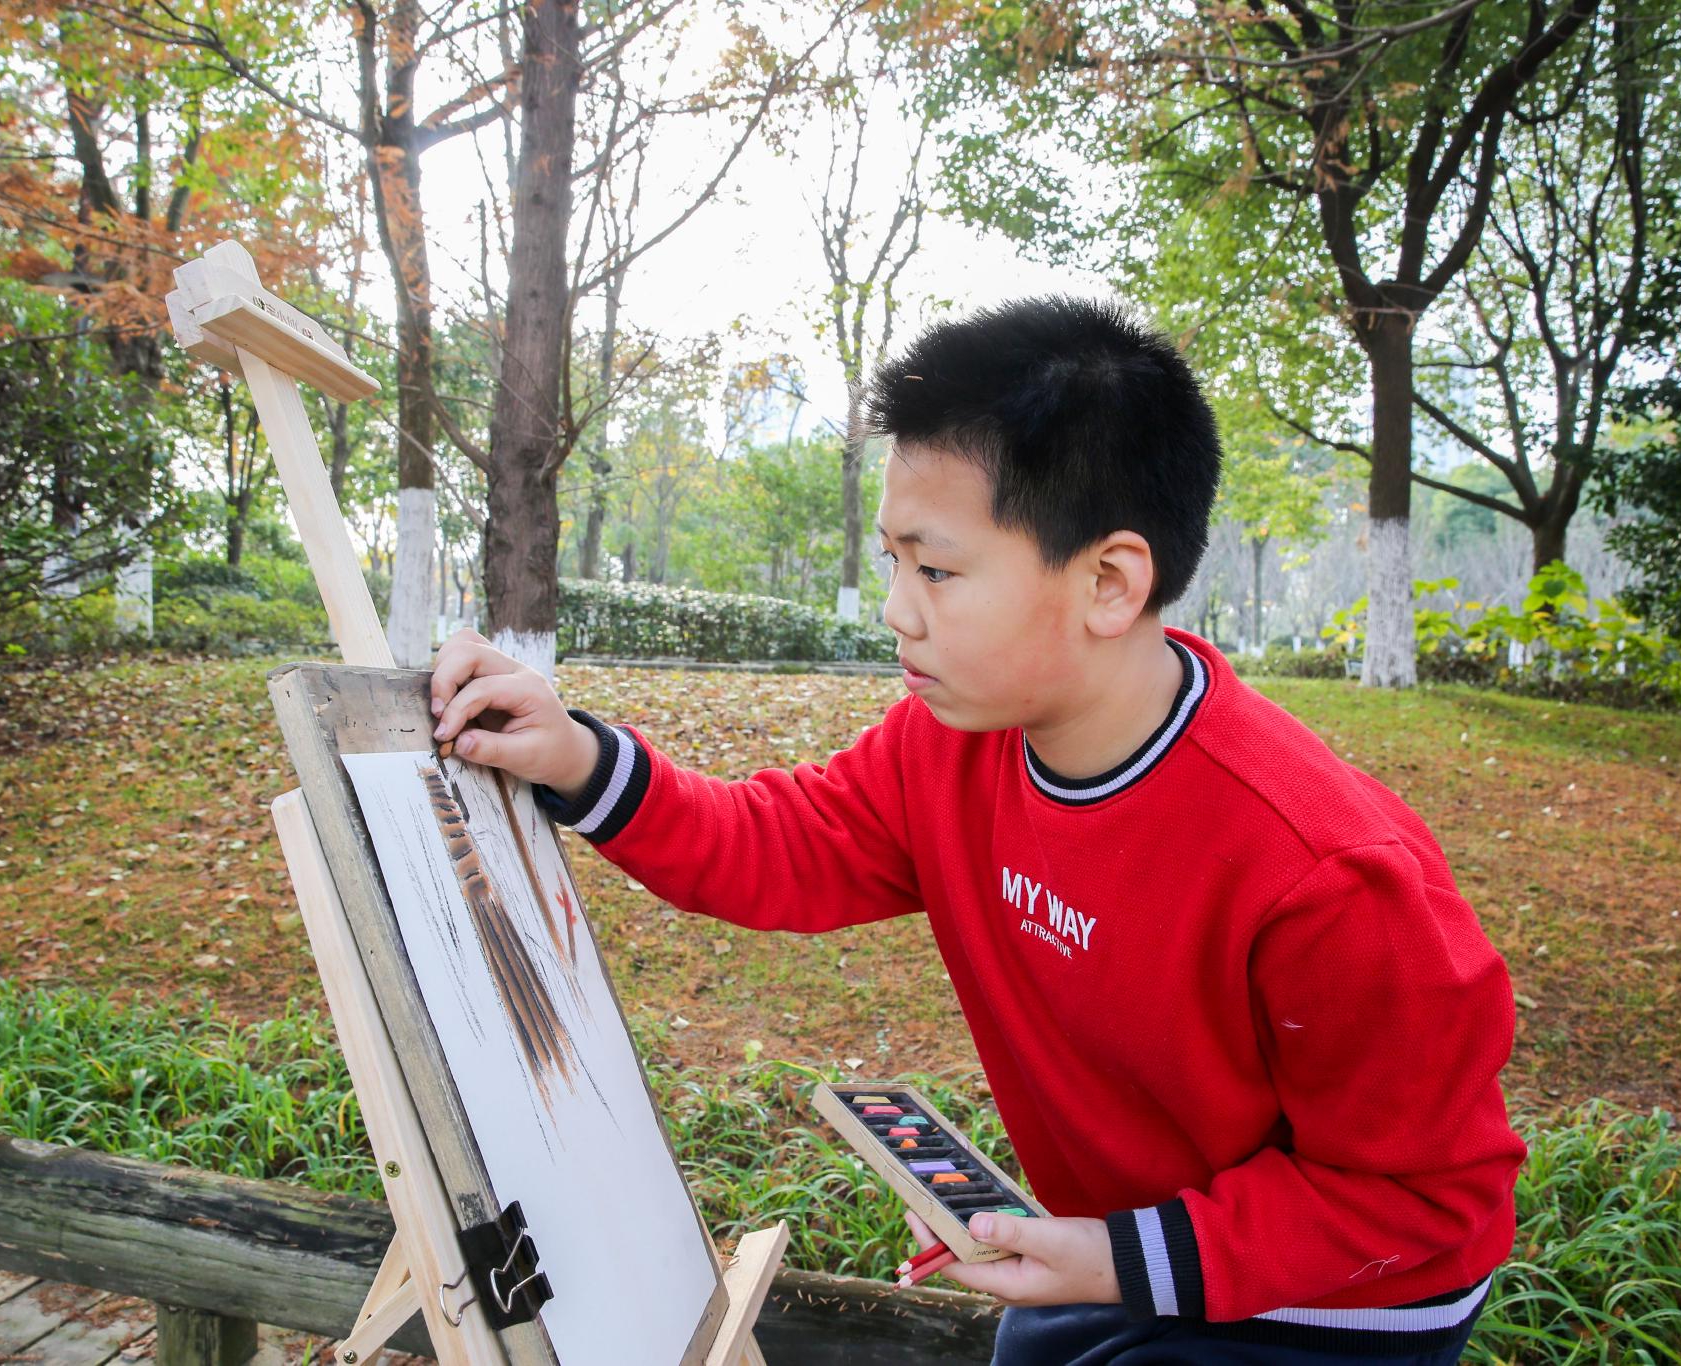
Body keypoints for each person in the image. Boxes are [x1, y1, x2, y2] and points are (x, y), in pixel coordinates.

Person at [427, 296, 1523, 1364]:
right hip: (1120, 1245)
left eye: (937, 569)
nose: (898, 609)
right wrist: (575, 755)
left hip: (1337, 1304)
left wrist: (1116, 1256)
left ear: (1107, 581)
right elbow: (778, 844)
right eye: (893, 561)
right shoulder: (945, 746)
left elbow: (1414, 1196)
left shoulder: (1323, 872)